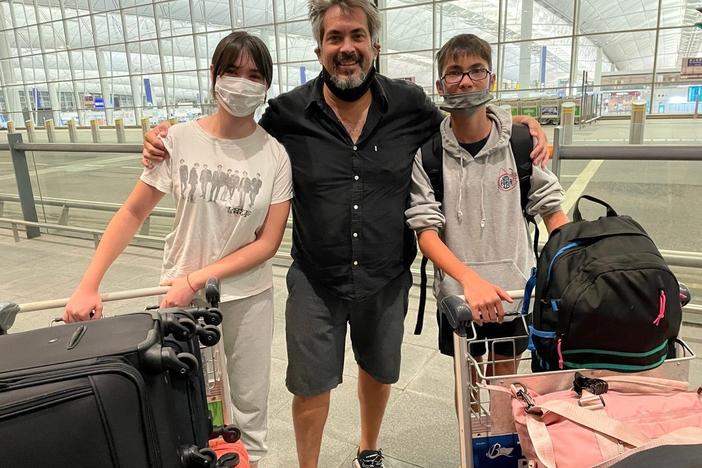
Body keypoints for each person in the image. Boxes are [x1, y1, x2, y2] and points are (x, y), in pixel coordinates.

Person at [141, 2, 550, 466]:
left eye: (356, 36)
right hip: (317, 278)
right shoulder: (288, 114)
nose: (347, 47)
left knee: (378, 372)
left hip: (385, 275)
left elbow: (465, 117)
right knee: (310, 384)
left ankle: (368, 449)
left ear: (375, 46)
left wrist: (520, 125)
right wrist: (168, 135)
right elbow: (232, 132)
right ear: (319, 48)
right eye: (335, 38)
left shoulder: (410, 106)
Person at [63, 31, 293, 467]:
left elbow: (268, 242)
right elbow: (132, 213)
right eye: (232, 71)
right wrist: (88, 285)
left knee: (248, 409)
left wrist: (196, 279)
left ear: (266, 86)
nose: (241, 84)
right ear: (213, 75)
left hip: (246, 297)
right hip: (177, 297)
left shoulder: (275, 155)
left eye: (254, 75)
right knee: (183, 401)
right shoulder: (178, 140)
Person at [405, 34, 569, 382]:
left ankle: (500, 436)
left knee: (505, 381)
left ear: (491, 79)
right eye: (454, 72)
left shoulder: (521, 144)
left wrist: (571, 264)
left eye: (476, 70)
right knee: (467, 383)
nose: (466, 80)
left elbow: (552, 210)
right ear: (441, 85)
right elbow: (427, 234)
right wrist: (469, 280)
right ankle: (471, 439)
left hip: (513, 293)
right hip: (460, 298)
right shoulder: (429, 156)